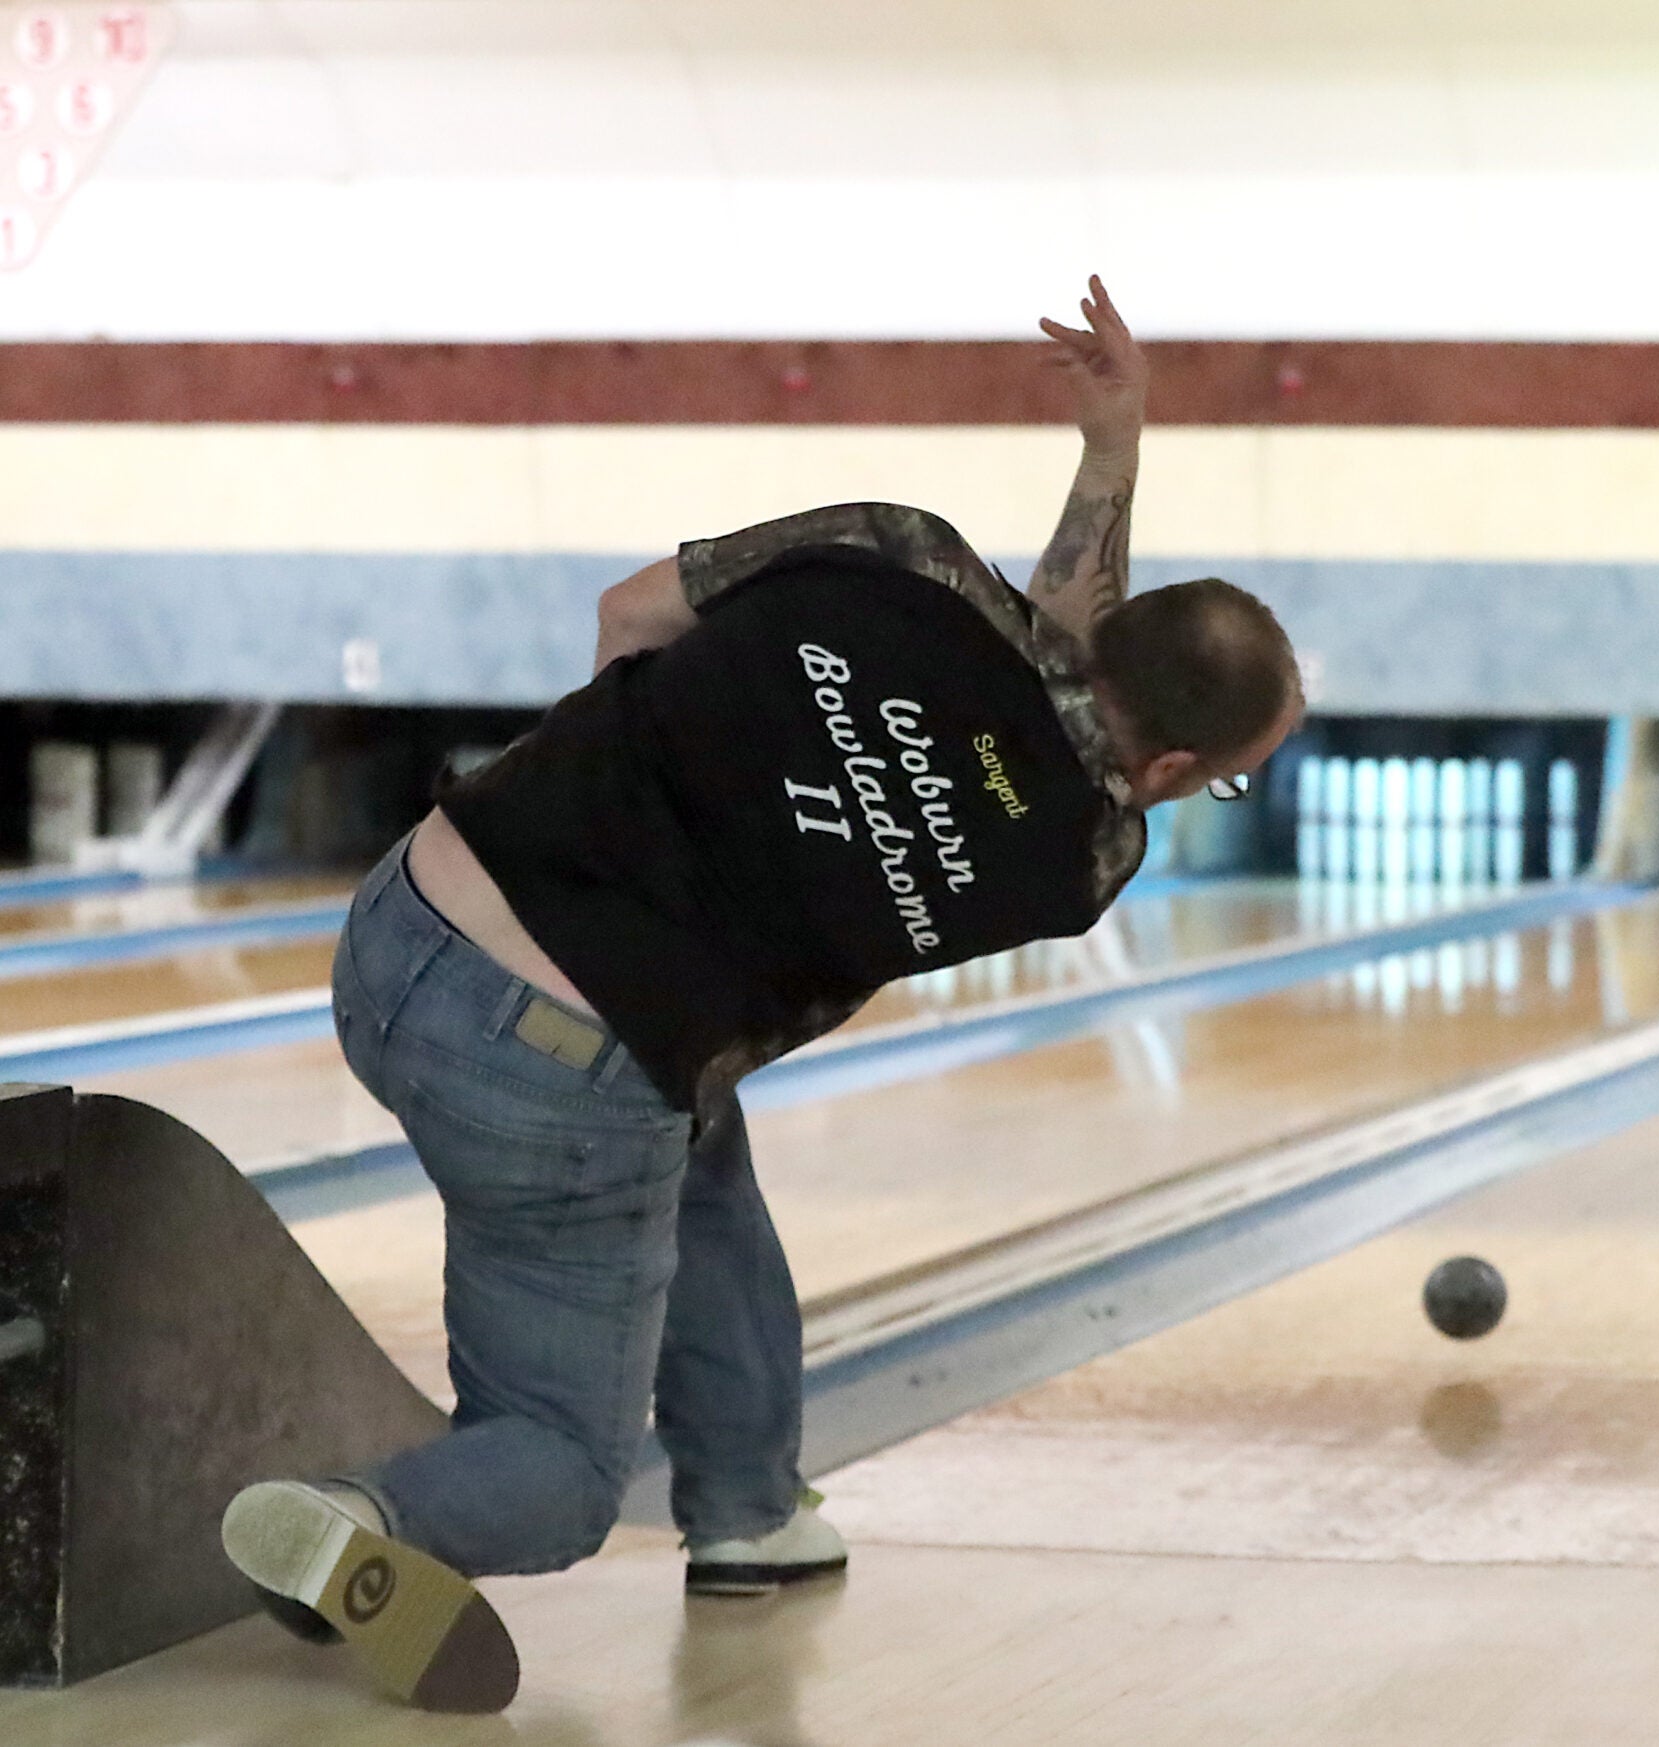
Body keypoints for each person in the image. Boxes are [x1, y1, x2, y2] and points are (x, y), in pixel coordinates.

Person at [218, 277, 1303, 1713]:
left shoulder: (900, 556)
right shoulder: (1087, 860)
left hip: (403, 920)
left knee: (701, 1144)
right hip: (561, 1079)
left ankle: (746, 1509)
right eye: (1227, 773)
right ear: (1174, 777)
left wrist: (1110, 447)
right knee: (557, 1479)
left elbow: (632, 616)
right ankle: (362, 1521)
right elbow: (1075, 706)